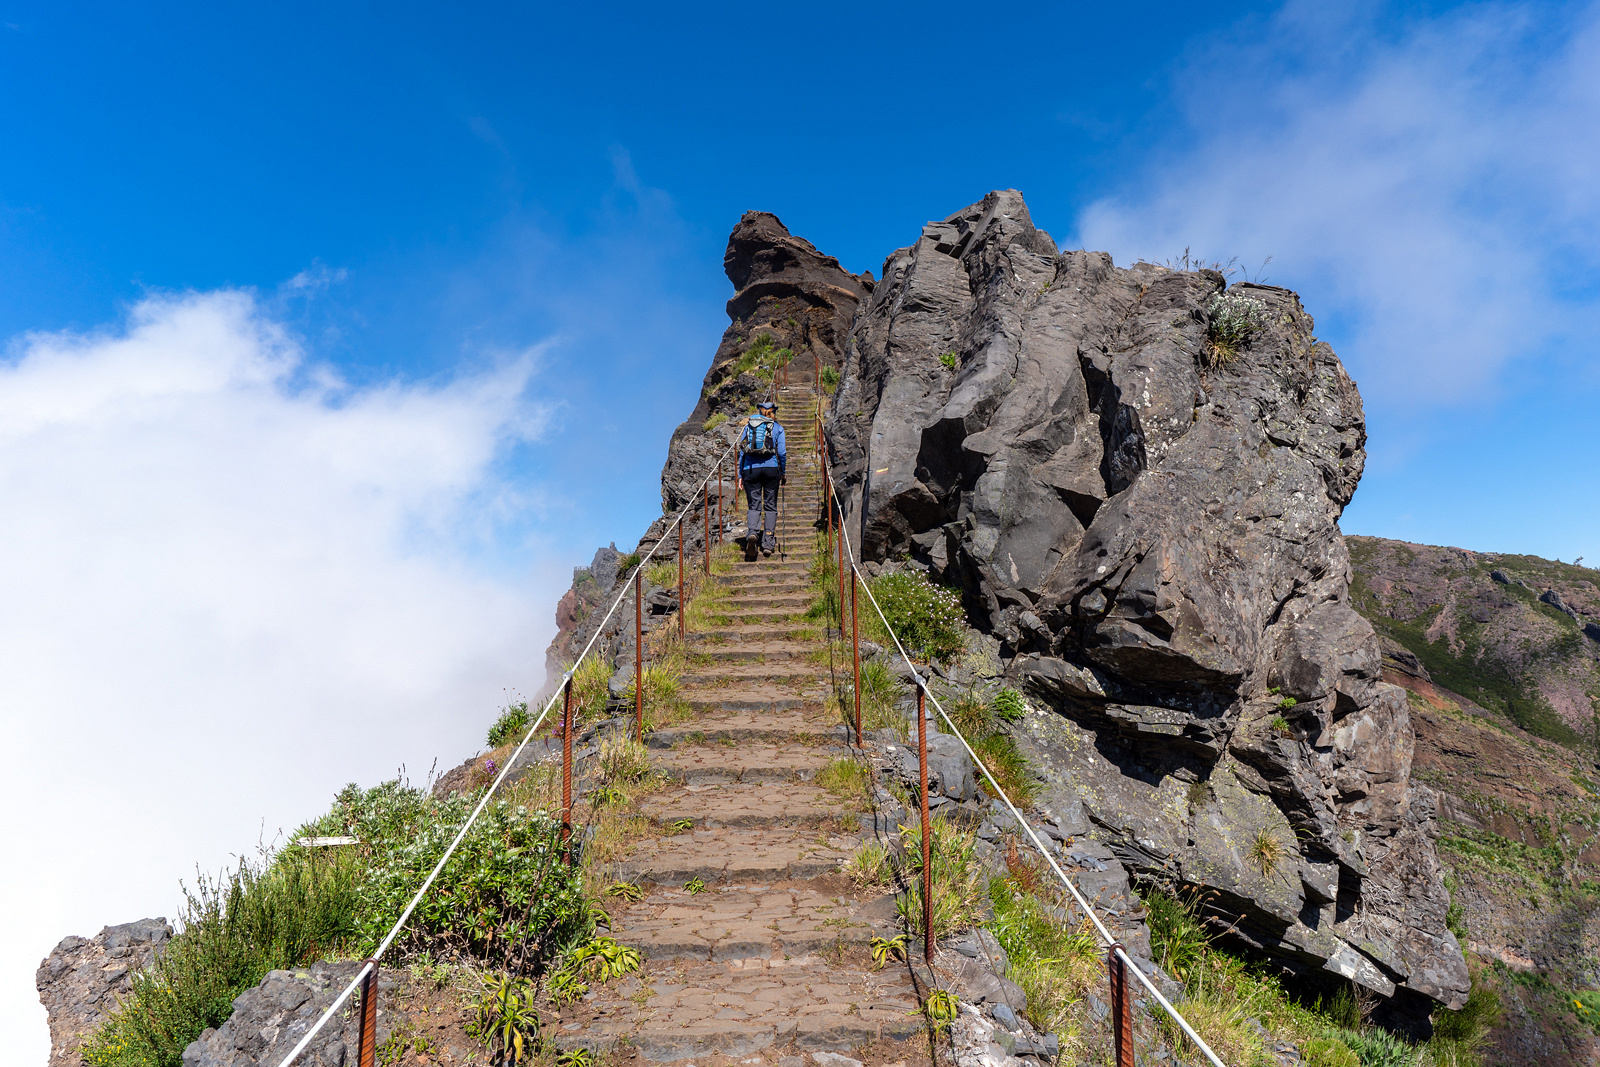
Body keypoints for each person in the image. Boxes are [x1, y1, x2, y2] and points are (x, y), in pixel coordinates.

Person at [739, 400, 786, 559]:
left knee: (754, 505)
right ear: (774, 412)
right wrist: (783, 472)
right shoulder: (778, 428)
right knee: (771, 506)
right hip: (771, 470)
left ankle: (752, 533)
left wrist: (740, 475)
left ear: (760, 412)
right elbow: (782, 453)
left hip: (750, 470)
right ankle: (768, 543)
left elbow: (741, 452)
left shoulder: (749, 426)